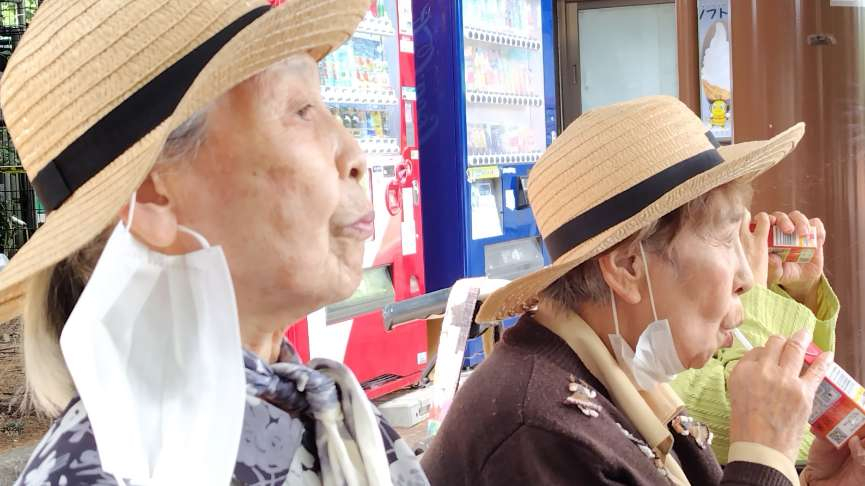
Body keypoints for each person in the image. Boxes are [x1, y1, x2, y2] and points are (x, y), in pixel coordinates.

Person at [0, 1, 427, 485]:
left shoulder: (313, 410)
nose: (354, 155)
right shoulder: (114, 472)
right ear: (153, 195)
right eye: (301, 110)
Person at [420, 95, 865, 485]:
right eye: (727, 238)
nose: (748, 277)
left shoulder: (613, 380)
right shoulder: (539, 432)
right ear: (628, 266)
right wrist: (764, 451)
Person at [672, 210, 839, 464]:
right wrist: (753, 293)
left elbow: (828, 419)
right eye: (727, 241)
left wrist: (800, 296)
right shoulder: (645, 350)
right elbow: (767, 424)